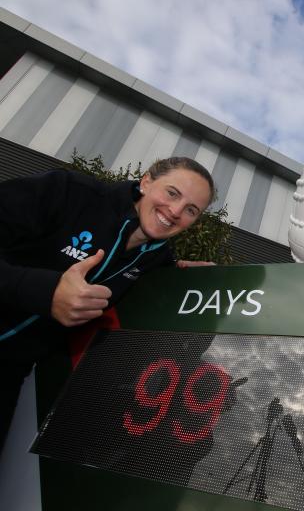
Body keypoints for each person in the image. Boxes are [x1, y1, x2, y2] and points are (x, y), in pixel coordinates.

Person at [0, 156, 215, 451]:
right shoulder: (68, 192)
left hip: (12, 373)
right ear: (147, 181)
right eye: (172, 193)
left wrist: (186, 280)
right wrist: (46, 291)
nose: (176, 211)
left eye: (191, 210)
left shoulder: (156, 261)